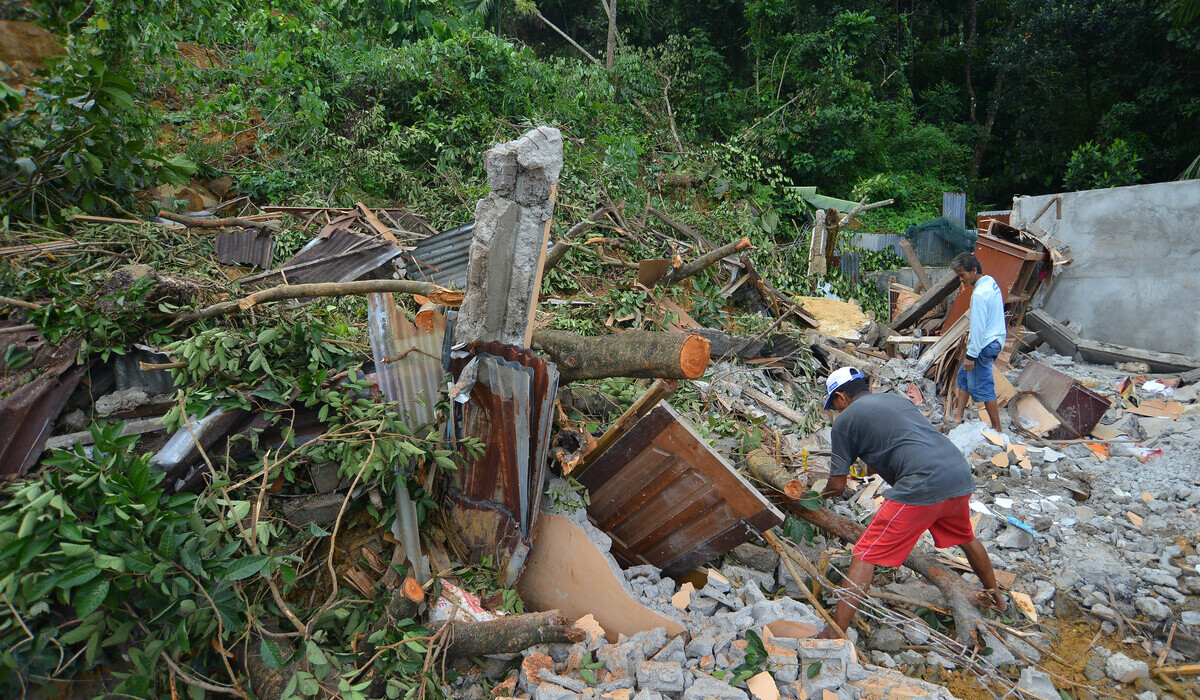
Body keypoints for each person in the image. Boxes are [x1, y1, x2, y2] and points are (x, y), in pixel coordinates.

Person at [815, 366, 1006, 638]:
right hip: (956, 473)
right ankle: (998, 599)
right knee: (966, 538)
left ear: (842, 397)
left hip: (922, 482)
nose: (835, 410)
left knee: (865, 553)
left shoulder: (844, 422)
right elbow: (899, 444)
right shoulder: (895, 401)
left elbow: (836, 485)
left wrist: (815, 498)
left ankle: (834, 634)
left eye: (834, 403)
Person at [948, 252, 1007, 432]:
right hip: (993, 339)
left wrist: (971, 355)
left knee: (984, 385)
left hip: (985, 344)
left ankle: (998, 429)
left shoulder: (979, 295)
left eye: (962, 275)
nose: (961, 280)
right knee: (963, 377)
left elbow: (978, 328)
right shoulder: (990, 282)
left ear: (974, 271)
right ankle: (957, 416)